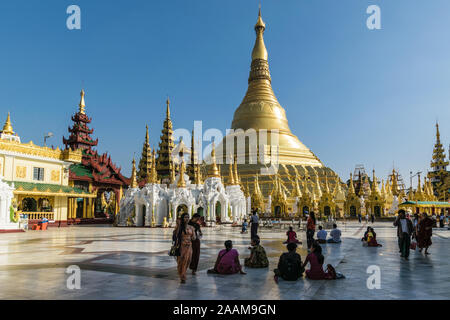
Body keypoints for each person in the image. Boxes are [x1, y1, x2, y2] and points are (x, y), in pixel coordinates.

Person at [174, 213, 196, 283]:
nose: (187, 218)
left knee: (188, 260)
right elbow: (175, 235)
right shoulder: (180, 227)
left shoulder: (191, 227)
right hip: (181, 246)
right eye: (185, 217)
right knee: (181, 261)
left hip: (189, 246)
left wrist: (194, 235)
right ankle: (182, 276)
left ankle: (183, 273)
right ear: (182, 218)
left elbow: (194, 237)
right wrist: (178, 226)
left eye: (188, 217)